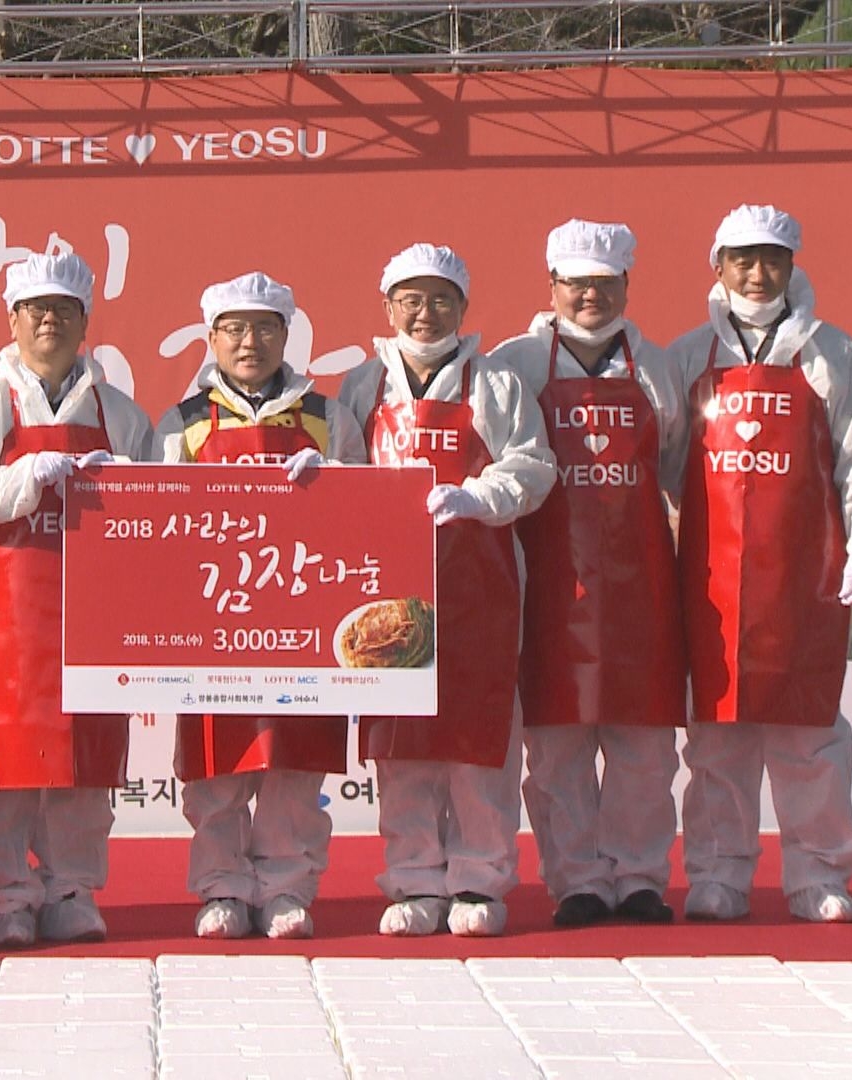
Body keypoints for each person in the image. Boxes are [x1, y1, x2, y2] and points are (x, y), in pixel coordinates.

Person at [0, 252, 155, 949]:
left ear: (85, 320)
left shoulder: (121, 413)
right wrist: (24, 479)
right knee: (5, 766)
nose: (48, 319)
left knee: (85, 762)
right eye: (35, 308)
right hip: (7, 621)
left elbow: (164, 510)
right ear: (13, 320)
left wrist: (129, 492)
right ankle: (7, 899)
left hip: (96, 618)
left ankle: (73, 888)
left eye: (62, 308)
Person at [668, 204, 852, 924]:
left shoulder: (834, 354)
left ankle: (818, 877)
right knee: (717, 741)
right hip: (712, 584)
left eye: (772, 260)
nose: (757, 274)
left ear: (793, 267)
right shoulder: (687, 356)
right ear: (718, 267)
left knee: (810, 736)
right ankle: (718, 876)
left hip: (806, 577)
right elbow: (664, 460)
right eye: (743, 260)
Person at [336, 243, 554, 938]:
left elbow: (533, 465)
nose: (423, 314)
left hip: (478, 585)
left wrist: (479, 497)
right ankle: (413, 877)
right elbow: (341, 473)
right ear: (387, 307)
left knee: (478, 736)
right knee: (402, 743)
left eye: (438, 300)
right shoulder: (362, 386)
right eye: (410, 299)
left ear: (462, 307)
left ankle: (480, 879)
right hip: (387, 595)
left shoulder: (494, 385)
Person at [153, 271, 366, 940]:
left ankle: (287, 888)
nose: (250, 342)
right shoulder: (182, 423)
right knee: (218, 764)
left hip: (306, 620)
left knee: (294, 762)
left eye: (265, 328)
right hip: (213, 621)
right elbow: (153, 523)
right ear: (212, 338)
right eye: (235, 330)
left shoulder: (327, 418)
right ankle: (220, 887)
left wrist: (331, 487)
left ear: (287, 335)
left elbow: (369, 512)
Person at [489, 220, 688, 928]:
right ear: (552, 287)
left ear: (626, 287)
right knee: (556, 749)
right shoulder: (512, 364)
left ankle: (638, 878)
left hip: (641, 589)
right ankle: (573, 879)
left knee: (643, 749)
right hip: (546, 586)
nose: (590, 297)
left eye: (604, 286)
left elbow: (682, 478)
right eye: (576, 285)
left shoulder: (658, 367)